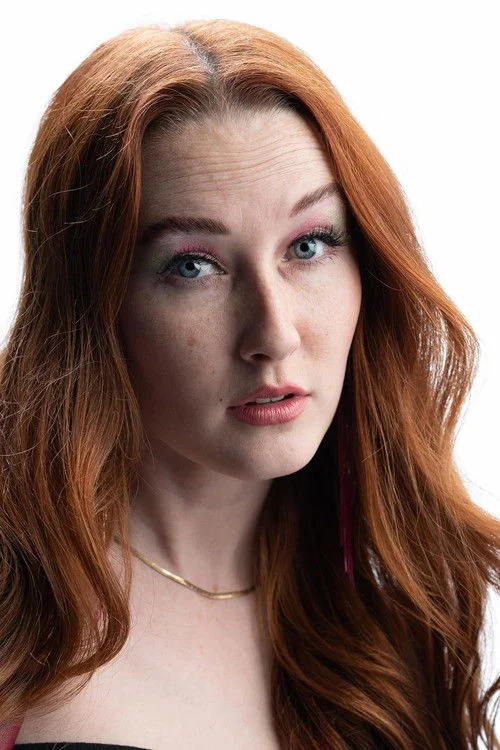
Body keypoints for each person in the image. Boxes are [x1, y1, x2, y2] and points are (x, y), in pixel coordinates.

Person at [0, 17, 499, 750]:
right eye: (193, 266)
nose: (275, 333)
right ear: (91, 305)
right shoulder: (20, 619)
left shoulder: (395, 624)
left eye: (309, 245)